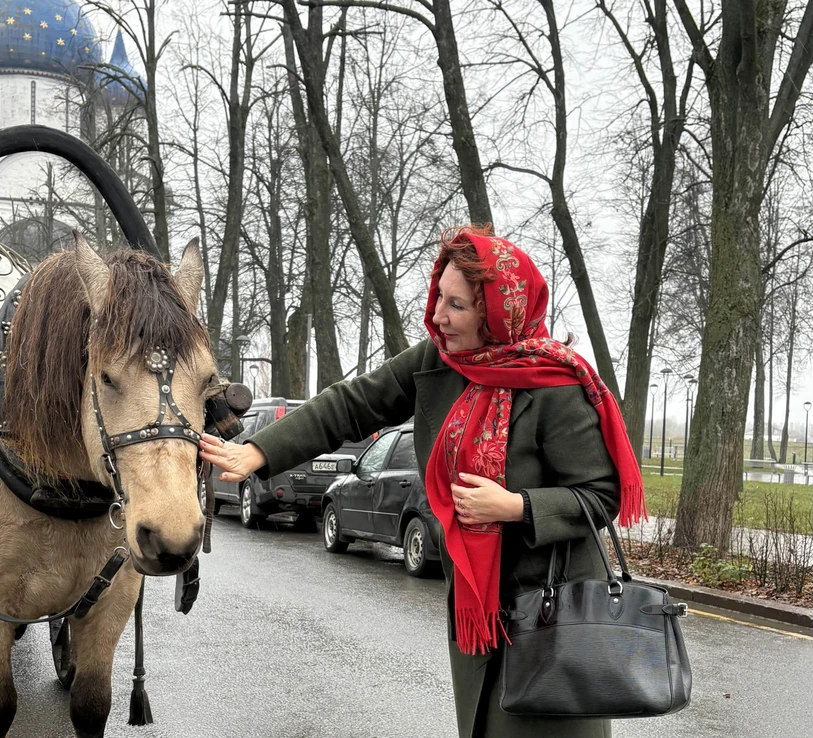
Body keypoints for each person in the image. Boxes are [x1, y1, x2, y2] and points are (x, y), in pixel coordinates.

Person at [199, 225, 646, 738]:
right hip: (477, 609)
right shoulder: (439, 360)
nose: (437, 316)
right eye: (438, 297)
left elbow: (600, 497)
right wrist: (259, 450)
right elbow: (352, 402)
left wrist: (516, 506)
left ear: (497, 312)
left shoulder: (554, 384)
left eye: (456, 305)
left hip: (550, 616)